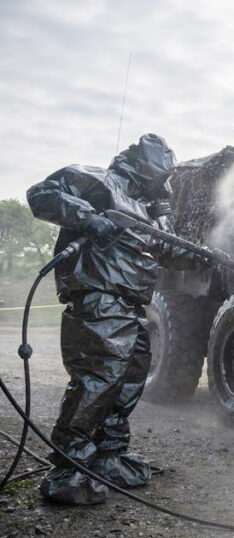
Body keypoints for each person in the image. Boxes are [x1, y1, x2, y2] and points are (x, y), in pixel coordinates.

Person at [27, 134, 211, 505]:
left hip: (132, 304)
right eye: (163, 176)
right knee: (98, 381)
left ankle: (109, 455)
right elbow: (40, 194)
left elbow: (170, 252)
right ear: (146, 168)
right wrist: (89, 219)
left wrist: (202, 253)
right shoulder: (97, 181)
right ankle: (68, 467)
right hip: (99, 298)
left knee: (128, 381)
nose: (166, 184)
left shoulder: (145, 211)